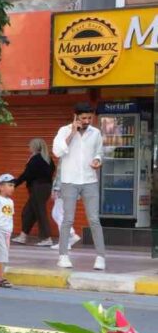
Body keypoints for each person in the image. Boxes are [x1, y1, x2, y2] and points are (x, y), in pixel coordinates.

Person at [52, 102, 106, 271]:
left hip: (90, 180)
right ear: (76, 116)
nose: (87, 121)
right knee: (67, 219)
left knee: (94, 219)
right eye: (84, 118)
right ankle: (63, 256)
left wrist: (98, 160)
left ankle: (100, 257)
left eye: (90, 117)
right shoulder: (64, 130)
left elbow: (99, 151)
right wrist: (72, 134)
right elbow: (57, 152)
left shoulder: (95, 133)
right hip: (69, 180)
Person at [12, 138, 55, 246]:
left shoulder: (35, 159)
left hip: (38, 188)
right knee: (28, 212)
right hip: (45, 188)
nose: (29, 147)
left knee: (40, 212)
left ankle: (47, 238)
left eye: (30, 145)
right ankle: (23, 236)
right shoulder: (48, 159)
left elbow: (26, 174)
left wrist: (14, 184)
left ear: (35, 147)